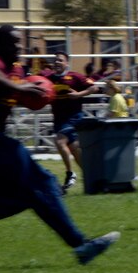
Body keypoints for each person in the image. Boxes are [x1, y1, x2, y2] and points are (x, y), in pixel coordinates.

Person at [0, 25, 119, 265]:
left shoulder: (16, 70)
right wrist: (20, 87)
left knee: (13, 200)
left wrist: (31, 94)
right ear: (1, 45)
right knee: (44, 183)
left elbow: (19, 93)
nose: (20, 48)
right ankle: (81, 245)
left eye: (20, 43)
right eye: (14, 43)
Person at [44, 52, 100, 193]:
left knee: (59, 141)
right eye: (55, 60)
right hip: (58, 118)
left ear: (66, 63)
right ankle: (93, 176)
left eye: (60, 60)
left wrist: (78, 95)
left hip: (73, 117)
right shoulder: (48, 79)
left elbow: (94, 87)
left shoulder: (75, 77)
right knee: (75, 150)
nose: (57, 62)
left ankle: (70, 173)